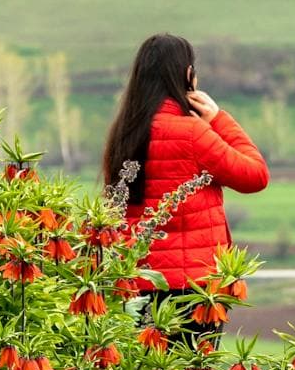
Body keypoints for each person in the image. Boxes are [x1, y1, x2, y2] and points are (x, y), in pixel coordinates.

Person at [100, 34, 269, 297]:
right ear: (188, 75)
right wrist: (218, 118)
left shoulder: (123, 132)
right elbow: (255, 176)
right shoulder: (192, 133)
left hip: (133, 283)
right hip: (195, 287)